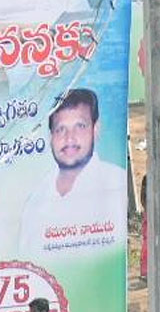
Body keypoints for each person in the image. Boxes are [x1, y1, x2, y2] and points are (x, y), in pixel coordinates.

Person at [18, 88, 127, 255]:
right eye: (61, 129)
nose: (69, 138)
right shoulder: (35, 201)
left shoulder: (117, 183)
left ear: (95, 130)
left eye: (80, 126)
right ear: (50, 137)